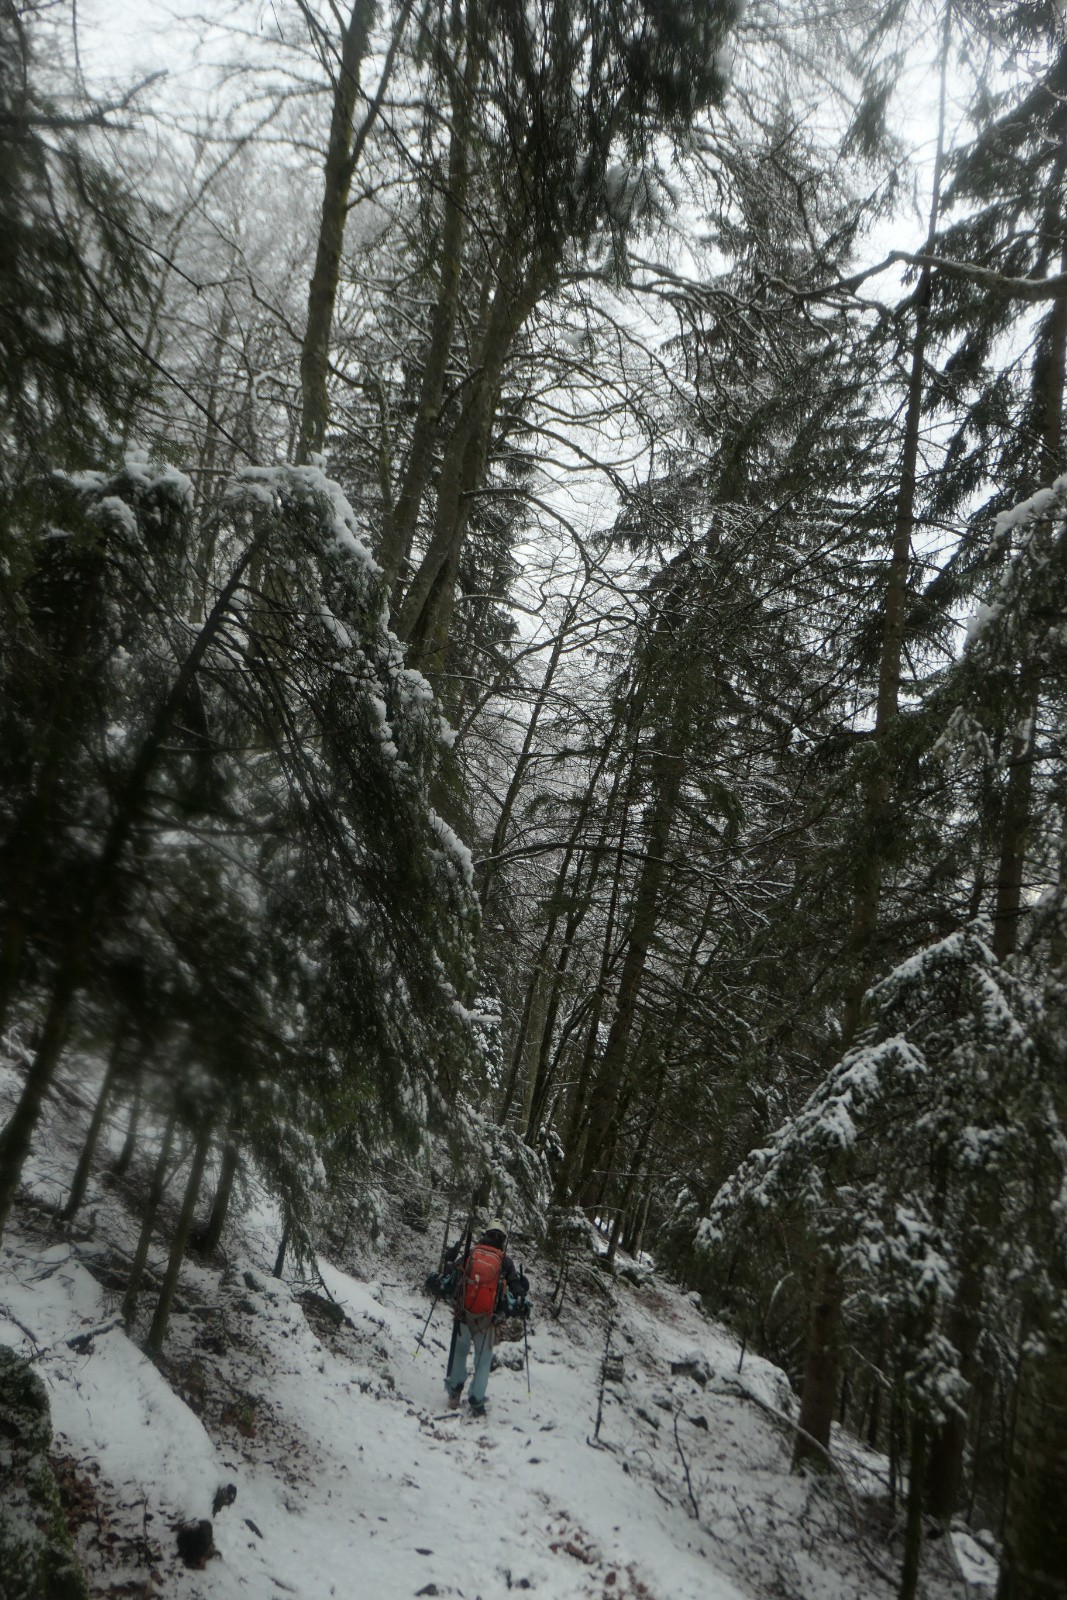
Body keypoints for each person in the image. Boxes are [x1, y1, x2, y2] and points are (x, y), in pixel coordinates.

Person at [442, 1218, 529, 1415]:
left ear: (486, 1234)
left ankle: (454, 1393)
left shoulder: (471, 1253)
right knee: (482, 1361)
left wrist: (449, 1259)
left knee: (459, 1353)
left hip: (463, 1315)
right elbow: (515, 1288)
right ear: (503, 1239)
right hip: (486, 1320)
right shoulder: (505, 1261)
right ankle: (476, 1400)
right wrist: (523, 1289)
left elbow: (452, 1274)